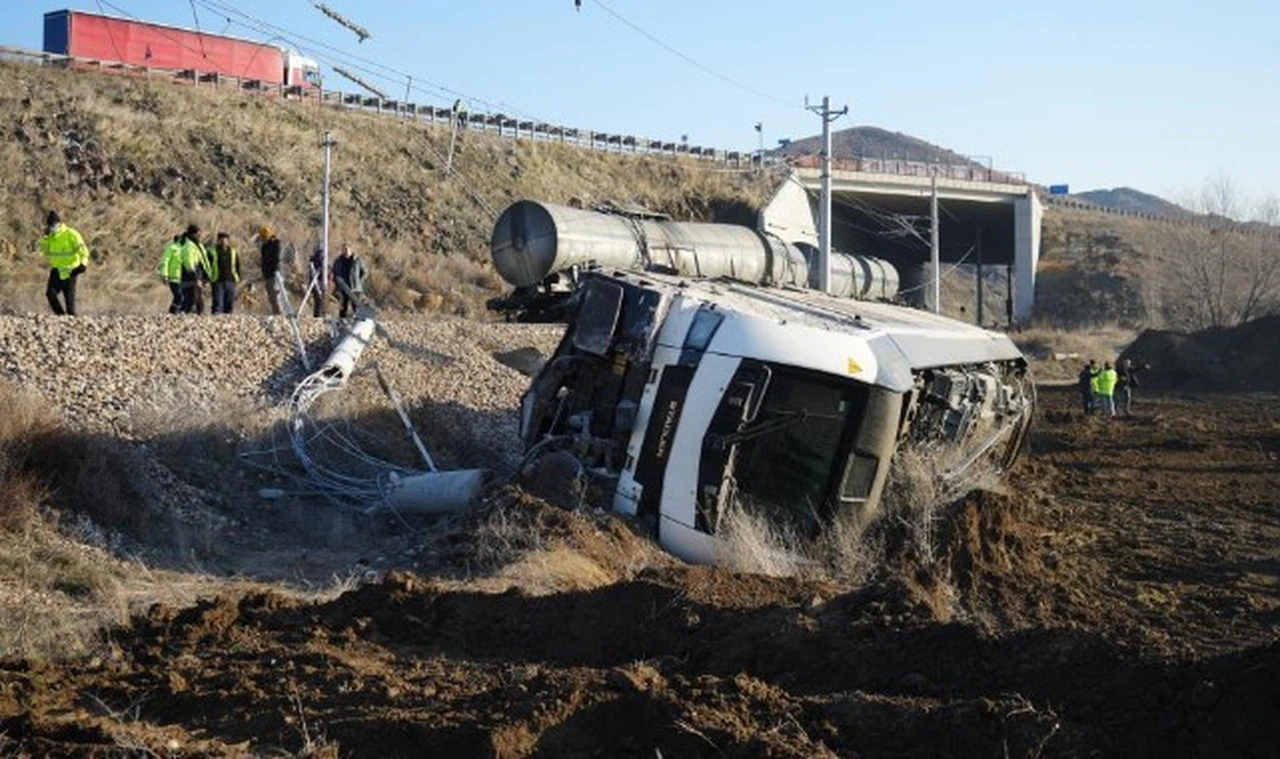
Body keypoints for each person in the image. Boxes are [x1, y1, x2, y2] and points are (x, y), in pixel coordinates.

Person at [37, 210, 89, 315]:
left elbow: (83, 250)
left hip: (71, 270)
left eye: (54, 224)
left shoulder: (71, 234)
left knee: (69, 302)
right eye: (50, 225)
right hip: (57, 269)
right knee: (50, 294)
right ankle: (61, 316)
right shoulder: (49, 237)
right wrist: (45, 239)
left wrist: (83, 264)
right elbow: (43, 251)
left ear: (59, 223)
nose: (52, 227)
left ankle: (73, 321)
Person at [178, 224, 214, 314]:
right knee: (191, 300)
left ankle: (197, 317)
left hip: (198, 276)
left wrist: (206, 277)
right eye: (198, 234)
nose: (200, 236)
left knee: (198, 300)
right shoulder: (189, 246)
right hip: (191, 277)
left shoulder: (198, 245)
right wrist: (195, 278)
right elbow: (189, 264)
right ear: (192, 234)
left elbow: (203, 262)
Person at [331, 243, 366, 318]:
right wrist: (337, 284)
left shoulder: (357, 260)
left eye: (347, 249)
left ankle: (358, 324)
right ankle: (342, 325)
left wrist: (359, 282)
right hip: (343, 288)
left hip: (355, 289)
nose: (345, 251)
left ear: (350, 249)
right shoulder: (338, 261)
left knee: (357, 308)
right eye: (343, 249)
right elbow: (334, 273)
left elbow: (364, 272)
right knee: (343, 309)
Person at [210, 232, 241, 314]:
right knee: (218, 303)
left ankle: (227, 321)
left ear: (228, 241)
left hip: (230, 280)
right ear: (218, 240)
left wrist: (238, 278)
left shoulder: (233, 252)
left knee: (229, 304)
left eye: (226, 239)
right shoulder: (213, 252)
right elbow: (208, 266)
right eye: (221, 239)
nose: (223, 241)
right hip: (217, 280)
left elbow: (237, 266)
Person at [258, 225, 282, 315]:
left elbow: (277, 258)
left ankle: (279, 312)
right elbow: (263, 259)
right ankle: (275, 311)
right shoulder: (264, 246)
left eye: (264, 237)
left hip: (275, 273)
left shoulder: (276, 243)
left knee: (276, 293)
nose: (263, 239)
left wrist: (276, 270)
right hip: (267, 273)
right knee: (271, 295)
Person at [157, 233, 185, 314]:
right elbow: (165, 261)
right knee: (179, 295)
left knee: (180, 296)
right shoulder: (172, 248)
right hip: (173, 277)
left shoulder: (183, 249)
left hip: (182, 278)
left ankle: (176, 312)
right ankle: (173, 312)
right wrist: (164, 274)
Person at [308, 246, 330, 318]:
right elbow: (314, 274)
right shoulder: (315, 263)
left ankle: (319, 315)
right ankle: (318, 316)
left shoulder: (318, 262)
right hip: (317, 283)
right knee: (318, 301)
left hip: (320, 284)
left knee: (319, 302)